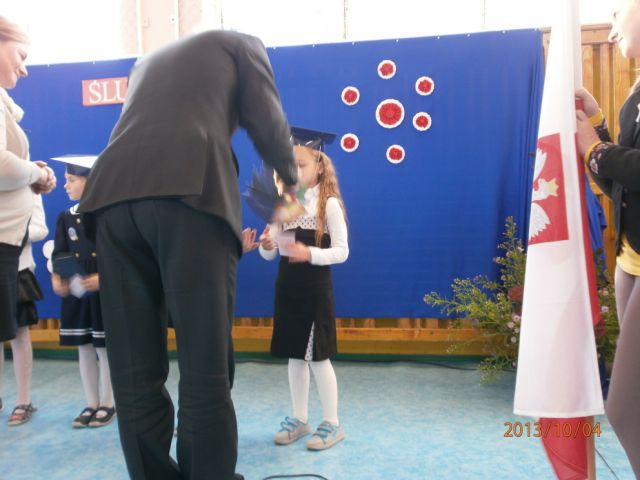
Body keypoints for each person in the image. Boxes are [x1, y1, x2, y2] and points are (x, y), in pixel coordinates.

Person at [78, 30, 297, 480]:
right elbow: (267, 117)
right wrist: (289, 180)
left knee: (133, 369)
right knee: (204, 365)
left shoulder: (145, 62)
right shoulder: (241, 44)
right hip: (190, 189)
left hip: (110, 198)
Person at [575, 1, 640, 475]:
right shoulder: (634, 93)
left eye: (617, 15)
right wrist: (597, 130)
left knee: (624, 408)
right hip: (630, 259)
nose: (612, 31)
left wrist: (596, 148)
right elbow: (621, 184)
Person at [259, 127, 349, 451]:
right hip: (288, 290)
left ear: (319, 167)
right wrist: (267, 244)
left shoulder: (329, 205)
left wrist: (309, 253)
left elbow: (342, 252)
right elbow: (272, 253)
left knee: (317, 358)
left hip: (314, 292)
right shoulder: (286, 204)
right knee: (295, 357)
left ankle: (332, 423)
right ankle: (300, 418)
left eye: (301, 164)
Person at [0, 16, 56, 418]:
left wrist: (29, 174)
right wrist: (35, 175)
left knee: (16, 329)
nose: (24, 69)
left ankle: (20, 399)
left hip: (11, 246)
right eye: (20, 56)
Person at [50, 156, 115, 429]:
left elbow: (119, 254)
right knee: (84, 347)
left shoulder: (108, 214)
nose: (66, 185)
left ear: (91, 180)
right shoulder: (65, 217)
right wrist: (57, 278)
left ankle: (108, 402)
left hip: (102, 291)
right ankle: (91, 401)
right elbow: (59, 252)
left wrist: (105, 278)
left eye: (71, 180)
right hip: (78, 290)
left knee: (104, 347)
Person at [0, 192, 47, 426]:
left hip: (17, 269)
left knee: (19, 333)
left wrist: (9, 232)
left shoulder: (28, 186)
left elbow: (40, 229)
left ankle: (23, 400)